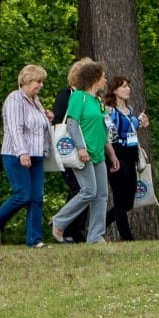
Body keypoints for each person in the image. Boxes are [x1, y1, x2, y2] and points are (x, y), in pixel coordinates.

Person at [0, 65, 54, 249]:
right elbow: (14, 129)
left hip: (36, 155)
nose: (41, 85)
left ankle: (34, 240)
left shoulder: (35, 101)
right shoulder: (15, 99)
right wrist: (22, 152)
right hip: (16, 154)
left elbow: (37, 126)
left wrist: (48, 118)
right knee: (23, 195)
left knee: (37, 197)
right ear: (27, 81)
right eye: (38, 81)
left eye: (42, 81)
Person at [50, 60, 119, 244]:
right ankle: (59, 221)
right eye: (103, 77)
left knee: (102, 194)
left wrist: (111, 154)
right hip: (84, 153)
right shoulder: (78, 97)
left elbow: (102, 128)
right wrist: (81, 147)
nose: (105, 80)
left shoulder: (97, 101)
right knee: (88, 191)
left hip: (98, 153)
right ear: (94, 78)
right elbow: (72, 124)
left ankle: (95, 236)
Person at [51, 58, 94, 243]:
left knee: (84, 190)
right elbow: (60, 119)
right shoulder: (66, 94)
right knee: (79, 189)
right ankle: (68, 228)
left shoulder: (89, 98)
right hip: (69, 149)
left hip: (85, 149)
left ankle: (75, 230)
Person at [103, 76, 149, 241]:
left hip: (131, 154)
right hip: (116, 153)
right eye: (123, 87)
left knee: (129, 200)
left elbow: (131, 130)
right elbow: (109, 133)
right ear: (114, 90)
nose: (127, 89)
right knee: (119, 196)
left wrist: (141, 123)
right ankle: (126, 237)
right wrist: (112, 155)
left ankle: (99, 225)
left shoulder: (130, 109)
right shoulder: (109, 110)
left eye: (128, 86)